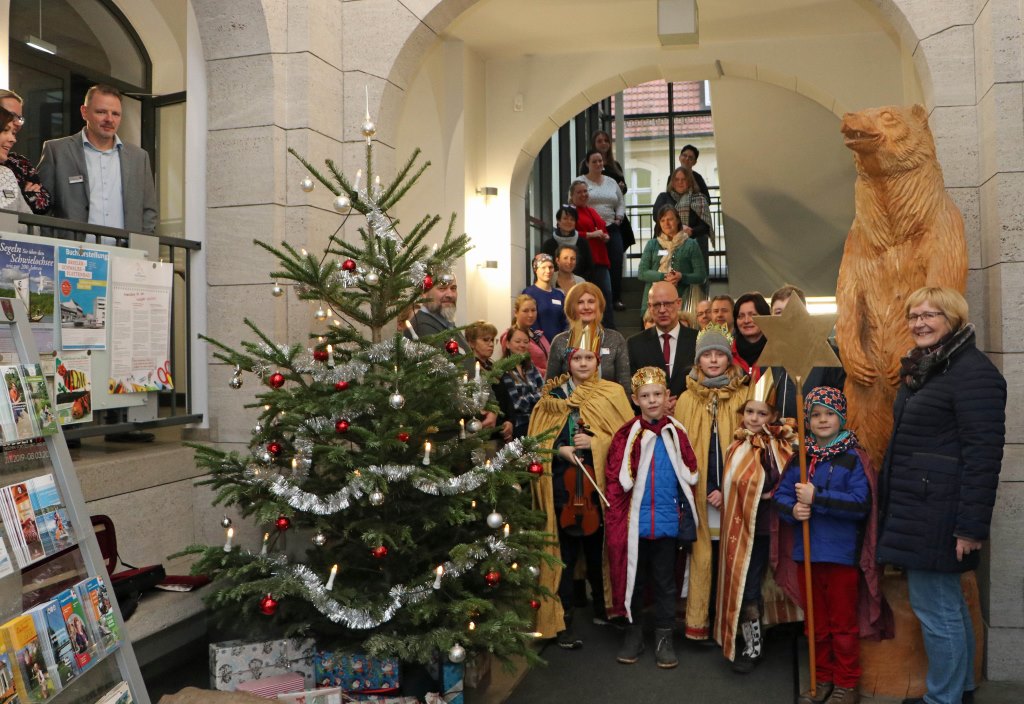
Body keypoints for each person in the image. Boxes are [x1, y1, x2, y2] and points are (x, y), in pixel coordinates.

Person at [877, 287, 1006, 704]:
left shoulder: (974, 374)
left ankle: (943, 698)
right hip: (923, 507)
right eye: (914, 315)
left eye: (931, 314)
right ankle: (959, 689)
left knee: (936, 610)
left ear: (953, 318)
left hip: (940, 513)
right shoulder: (932, 367)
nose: (920, 323)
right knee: (946, 605)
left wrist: (970, 527)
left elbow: (983, 457)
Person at [774, 387, 883, 704]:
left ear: (841, 417)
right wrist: (794, 510)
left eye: (829, 414)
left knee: (842, 624)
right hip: (807, 554)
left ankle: (846, 685)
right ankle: (821, 678)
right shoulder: (801, 457)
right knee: (816, 624)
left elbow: (861, 504)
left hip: (840, 555)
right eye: (816, 415)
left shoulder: (853, 458)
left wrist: (817, 498)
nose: (823, 420)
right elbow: (780, 496)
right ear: (807, 420)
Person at [528, 324, 634, 647]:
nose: (584, 364)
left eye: (590, 358)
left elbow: (627, 438)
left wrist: (596, 441)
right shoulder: (553, 398)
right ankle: (564, 616)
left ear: (598, 361)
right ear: (568, 362)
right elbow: (537, 440)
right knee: (565, 552)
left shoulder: (612, 393)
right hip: (563, 484)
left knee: (600, 545)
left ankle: (607, 607)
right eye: (578, 359)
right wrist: (560, 450)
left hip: (600, 487)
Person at [605, 366, 699, 669]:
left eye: (658, 394)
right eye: (645, 396)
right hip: (636, 524)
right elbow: (616, 480)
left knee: (665, 582)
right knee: (634, 579)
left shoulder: (677, 432)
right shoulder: (626, 435)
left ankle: (663, 636)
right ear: (636, 399)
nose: (653, 400)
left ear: (668, 397)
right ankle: (634, 633)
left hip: (668, 523)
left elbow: (689, 475)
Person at [714, 371, 795, 673]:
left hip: (777, 529)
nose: (753, 417)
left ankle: (789, 634)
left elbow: (790, 479)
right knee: (747, 587)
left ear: (773, 415)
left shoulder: (783, 446)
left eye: (761, 413)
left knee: (785, 580)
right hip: (747, 531)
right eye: (749, 411)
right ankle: (751, 646)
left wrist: (773, 490)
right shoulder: (737, 446)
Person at [673, 323, 749, 643]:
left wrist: (727, 487)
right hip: (699, 494)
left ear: (729, 359)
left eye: (720, 354)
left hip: (733, 493)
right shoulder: (687, 399)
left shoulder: (744, 394)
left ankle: (731, 625)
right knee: (701, 557)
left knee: (732, 559)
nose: (714, 360)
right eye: (708, 355)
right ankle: (699, 621)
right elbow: (681, 448)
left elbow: (748, 446)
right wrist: (699, 488)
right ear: (698, 360)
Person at [37, 84, 158, 236]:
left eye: (116, 114)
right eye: (101, 112)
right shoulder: (57, 151)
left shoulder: (139, 157)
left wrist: (142, 250)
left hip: (126, 255)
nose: (109, 119)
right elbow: (42, 207)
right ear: (84, 112)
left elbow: (148, 212)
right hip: (72, 255)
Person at [769, 284, 846, 419]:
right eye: (778, 312)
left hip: (818, 437)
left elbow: (841, 405)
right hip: (779, 437)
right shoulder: (769, 359)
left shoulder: (830, 356)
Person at [546, 282, 631, 396]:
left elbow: (625, 387)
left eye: (591, 301)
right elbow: (549, 387)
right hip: (568, 410)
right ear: (571, 307)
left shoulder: (615, 339)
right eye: (580, 302)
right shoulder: (560, 341)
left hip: (609, 410)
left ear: (599, 305)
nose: (586, 307)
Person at [627, 281, 698, 405]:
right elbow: (631, 387)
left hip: (691, 416)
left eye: (668, 304)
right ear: (649, 307)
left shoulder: (698, 340)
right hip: (650, 419)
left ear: (679, 303)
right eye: (656, 305)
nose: (662, 310)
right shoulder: (634, 344)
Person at [579, 150, 627, 312]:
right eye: (594, 161)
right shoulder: (580, 181)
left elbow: (620, 202)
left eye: (600, 161)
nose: (599, 164)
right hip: (590, 230)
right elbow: (574, 200)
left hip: (611, 227)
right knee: (593, 265)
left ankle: (615, 299)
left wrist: (619, 218)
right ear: (587, 163)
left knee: (616, 261)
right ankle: (592, 300)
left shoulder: (612, 182)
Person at [637, 204, 707, 315]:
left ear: (678, 220)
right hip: (652, 305)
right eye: (663, 220)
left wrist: (682, 276)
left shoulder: (691, 244)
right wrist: (664, 276)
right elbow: (642, 273)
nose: (666, 224)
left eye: (670, 219)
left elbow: (701, 276)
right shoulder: (652, 244)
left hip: (682, 306)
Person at [568, 180, 615, 328]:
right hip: (586, 262)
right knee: (586, 297)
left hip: (601, 259)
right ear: (572, 195)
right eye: (579, 192)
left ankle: (607, 329)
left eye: (585, 191)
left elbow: (602, 229)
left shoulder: (592, 211)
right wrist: (591, 234)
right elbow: (570, 233)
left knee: (605, 296)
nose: (583, 194)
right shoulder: (571, 213)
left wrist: (605, 236)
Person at [652, 165, 714, 267]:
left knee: (685, 275)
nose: (680, 182)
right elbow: (656, 217)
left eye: (683, 179)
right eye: (676, 179)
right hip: (664, 246)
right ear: (672, 182)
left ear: (689, 181)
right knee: (662, 272)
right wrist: (677, 228)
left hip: (689, 245)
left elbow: (705, 226)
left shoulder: (700, 200)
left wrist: (690, 231)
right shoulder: (663, 197)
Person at [0, 90, 50, 214]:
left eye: (20, 117)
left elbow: (43, 203)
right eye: (10, 115)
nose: (17, 122)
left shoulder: (13, 168)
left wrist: (27, 197)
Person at [500, 326, 545, 439]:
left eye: (525, 342)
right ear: (508, 344)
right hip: (519, 425)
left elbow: (546, 392)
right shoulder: (503, 369)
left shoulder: (531, 367)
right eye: (517, 341)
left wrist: (531, 397)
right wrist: (537, 395)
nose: (522, 345)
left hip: (539, 421)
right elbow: (518, 404)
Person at [407, 274, 468, 353]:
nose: (450, 295)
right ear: (424, 293)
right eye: (442, 288)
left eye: (453, 288)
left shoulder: (446, 324)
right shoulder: (422, 327)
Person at [464, 321, 506, 437]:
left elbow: (505, 399)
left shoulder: (493, 367)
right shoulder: (470, 370)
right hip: (483, 429)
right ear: (471, 343)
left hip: (501, 426)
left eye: (493, 340)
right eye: (485, 340)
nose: (491, 344)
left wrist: (509, 422)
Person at [498, 294, 550, 377]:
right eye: (525, 311)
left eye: (533, 310)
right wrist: (549, 373)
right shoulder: (508, 336)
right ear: (516, 312)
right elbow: (514, 365)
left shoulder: (539, 335)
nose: (530, 315)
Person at [523, 253, 567, 343]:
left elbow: (565, 321)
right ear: (535, 270)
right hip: (538, 346)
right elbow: (528, 323)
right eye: (543, 267)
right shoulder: (529, 293)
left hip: (559, 346)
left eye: (550, 267)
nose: (548, 271)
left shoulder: (559, 295)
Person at [541, 204, 593, 281]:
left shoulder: (583, 243)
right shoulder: (549, 244)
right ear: (558, 221)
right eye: (565, 218)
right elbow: (543, 267)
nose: (569, 222)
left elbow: (590, 268)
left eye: (572, 219)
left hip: (579, 286)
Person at [731, 292, 771, 381]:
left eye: (753, 315)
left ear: (766, 317)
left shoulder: (777, 353)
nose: (746, 321)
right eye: (740, 316)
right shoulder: (727, 354)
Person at [0, 108, 31, 214]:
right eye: (5, 130)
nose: (13, 139)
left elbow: (32, 226)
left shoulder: (7, 174)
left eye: (13, 133)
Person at [579, 130, 627, 194]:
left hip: (613, 202)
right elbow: (582, 185)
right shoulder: (586, 164)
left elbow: (624, 188)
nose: (603, 143)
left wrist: (621, 188)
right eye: (599, 141)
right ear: (594, 144)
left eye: (606, 141)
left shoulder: (616, 165)